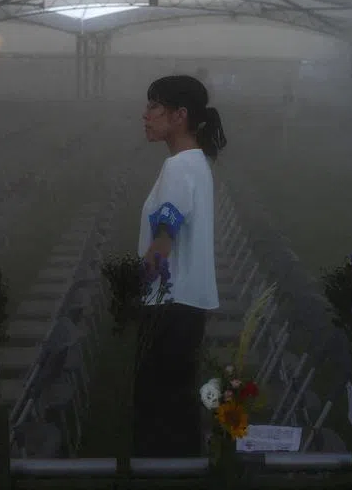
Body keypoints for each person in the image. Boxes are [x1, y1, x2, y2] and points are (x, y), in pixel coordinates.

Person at [136, 74, 228, 458]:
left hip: (168, 305)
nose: (145, 115)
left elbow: (164, 235)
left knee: (160, 405)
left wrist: (134, 280)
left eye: (155, 106)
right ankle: (188, 466)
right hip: (187, 303)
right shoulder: (195, 164)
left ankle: (167, 470)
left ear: (179, 115)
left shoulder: (179, 168)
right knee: (179, 399)